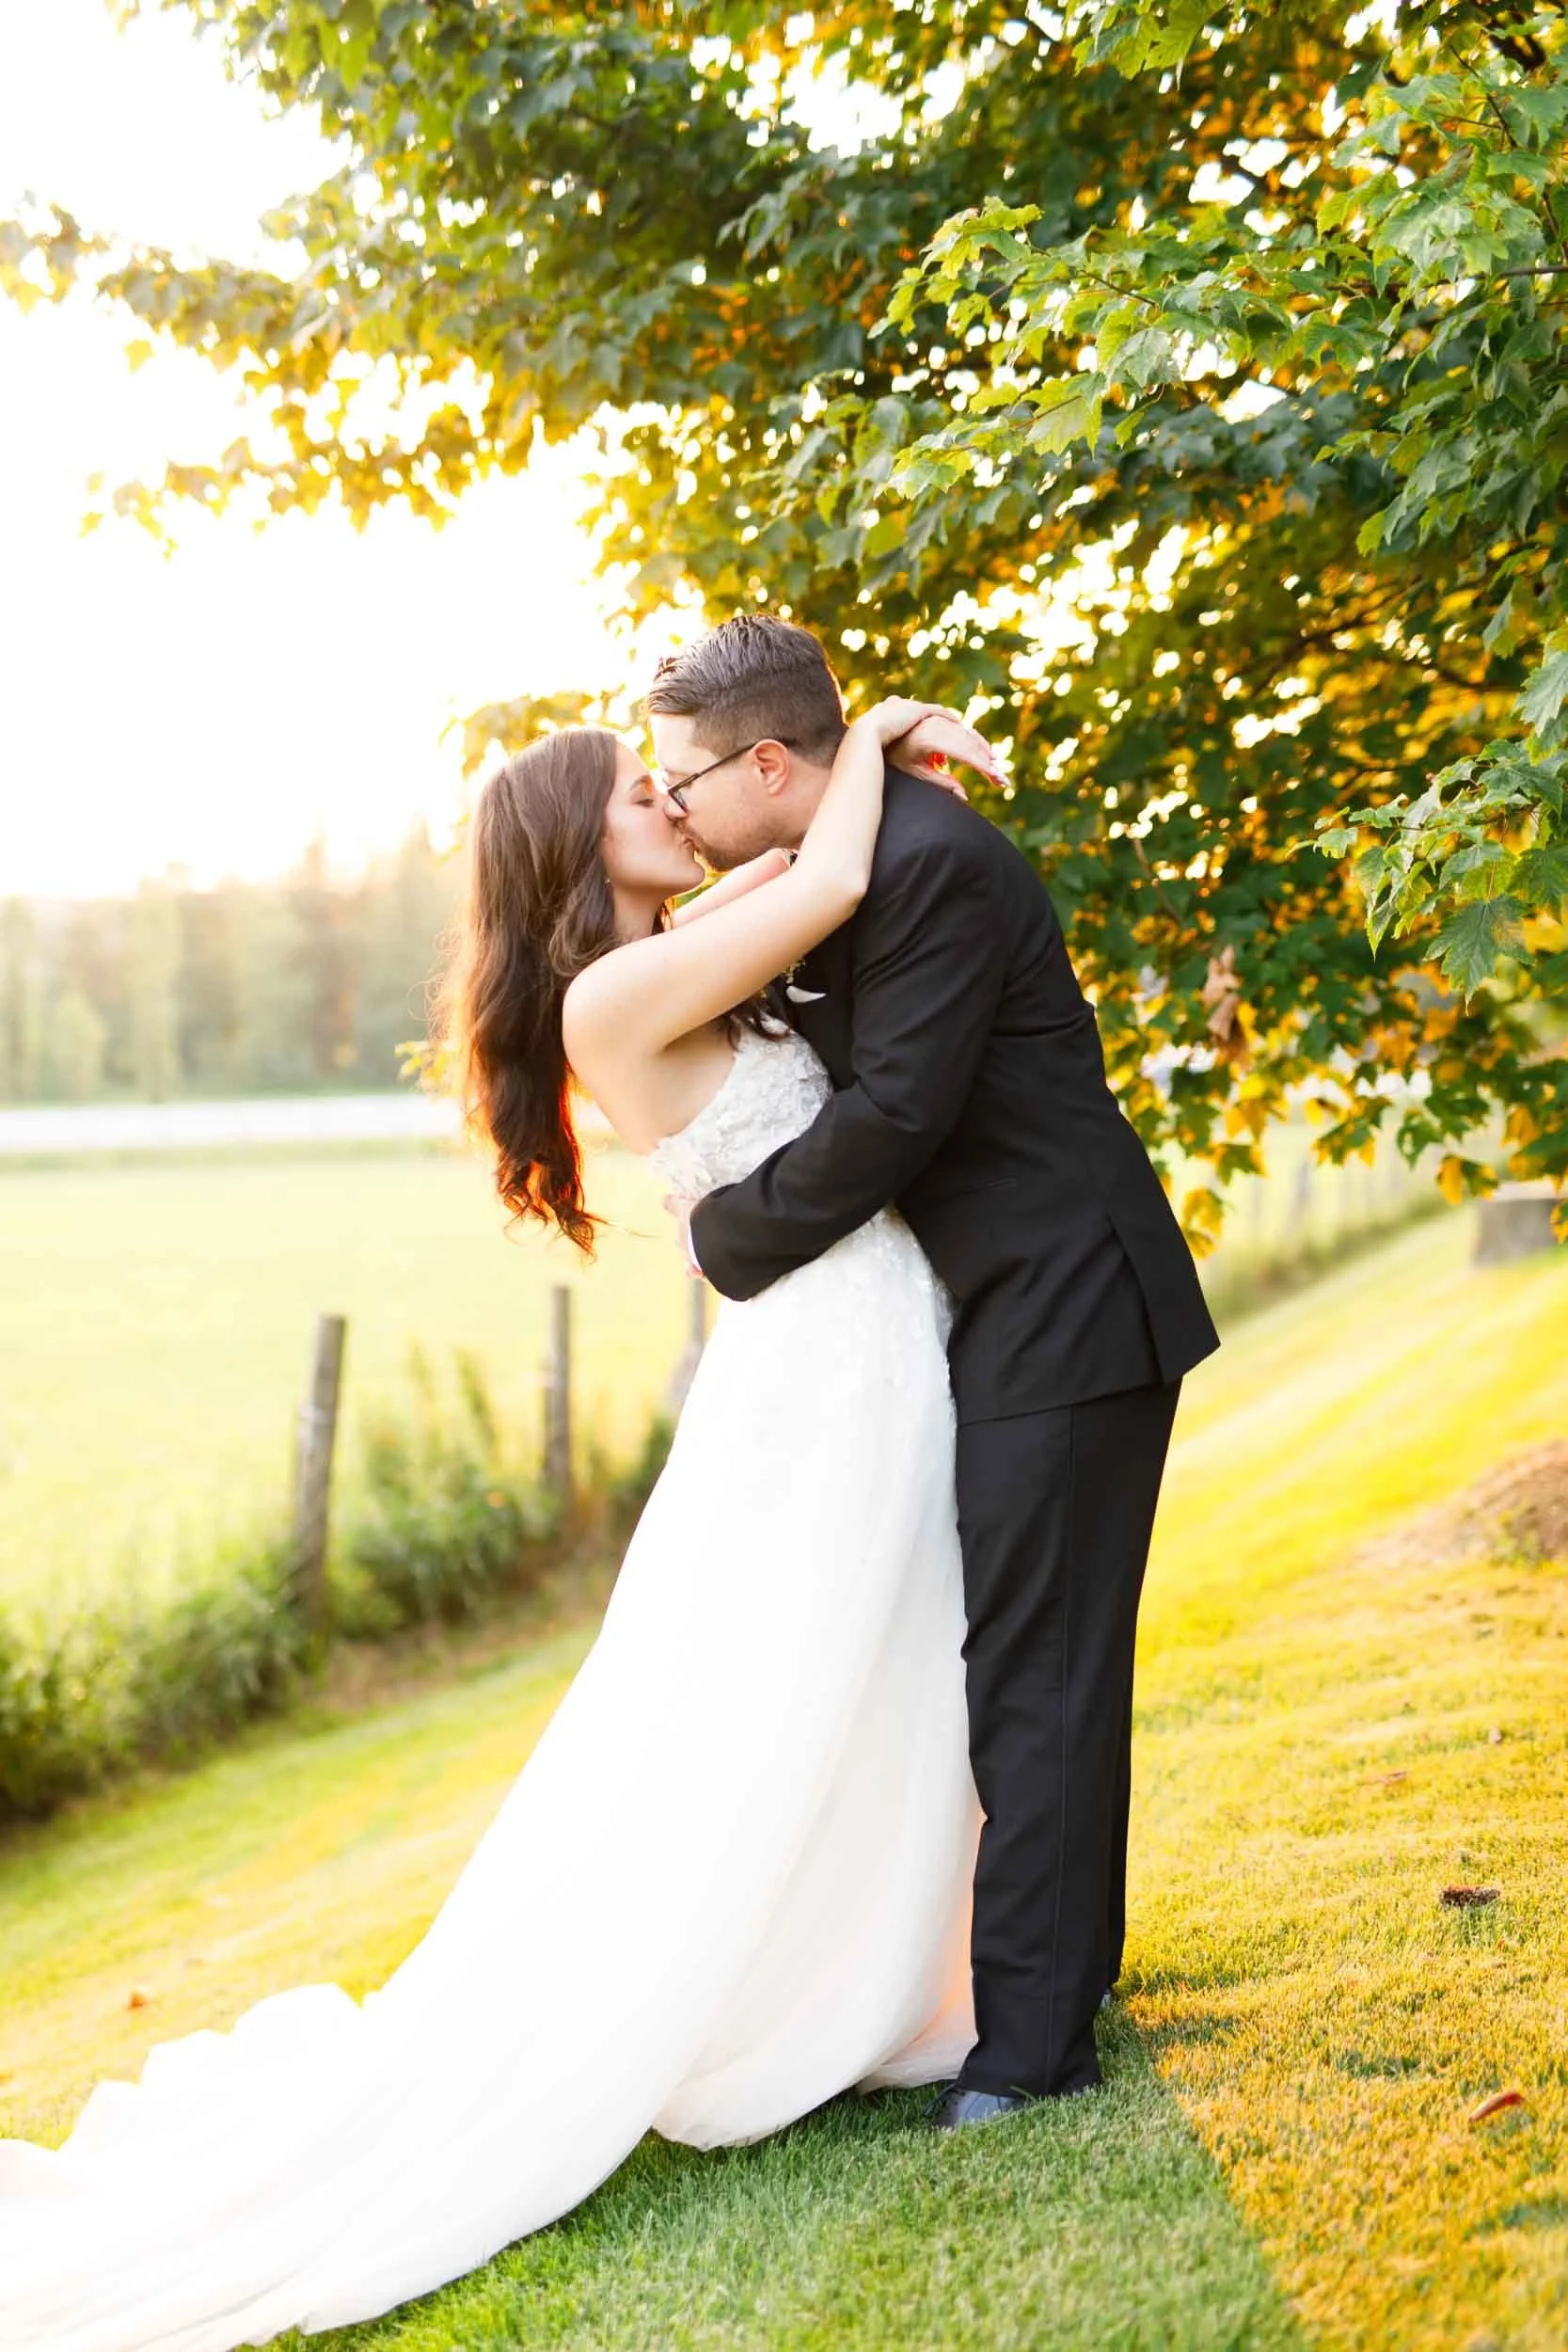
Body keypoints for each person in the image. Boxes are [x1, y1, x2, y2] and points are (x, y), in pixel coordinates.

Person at [0, 692, 1005, 2352]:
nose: (672, 803)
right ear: (565, 838)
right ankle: (878, 1995)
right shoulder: (613, 988)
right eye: (635, 790)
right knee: (825, 1667)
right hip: (822, 1361)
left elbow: (814, 868)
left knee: (888, 1661)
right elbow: (828, 883)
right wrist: (872, 744)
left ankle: (911, 1980)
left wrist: (845, 782)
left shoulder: (676, 937)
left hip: (855, 1339)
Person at [645, 614, 1220, 2124]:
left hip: (1071, 1304)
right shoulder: (852, 850)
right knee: (1026, 1668)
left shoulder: (933, 867)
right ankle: (1053, 1983)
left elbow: (898, 1112)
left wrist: (725, 1237)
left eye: (686, 780)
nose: (679, 812)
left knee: (1037, 1677)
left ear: (770, 763)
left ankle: (1031, 2052)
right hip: (1004, 1310)